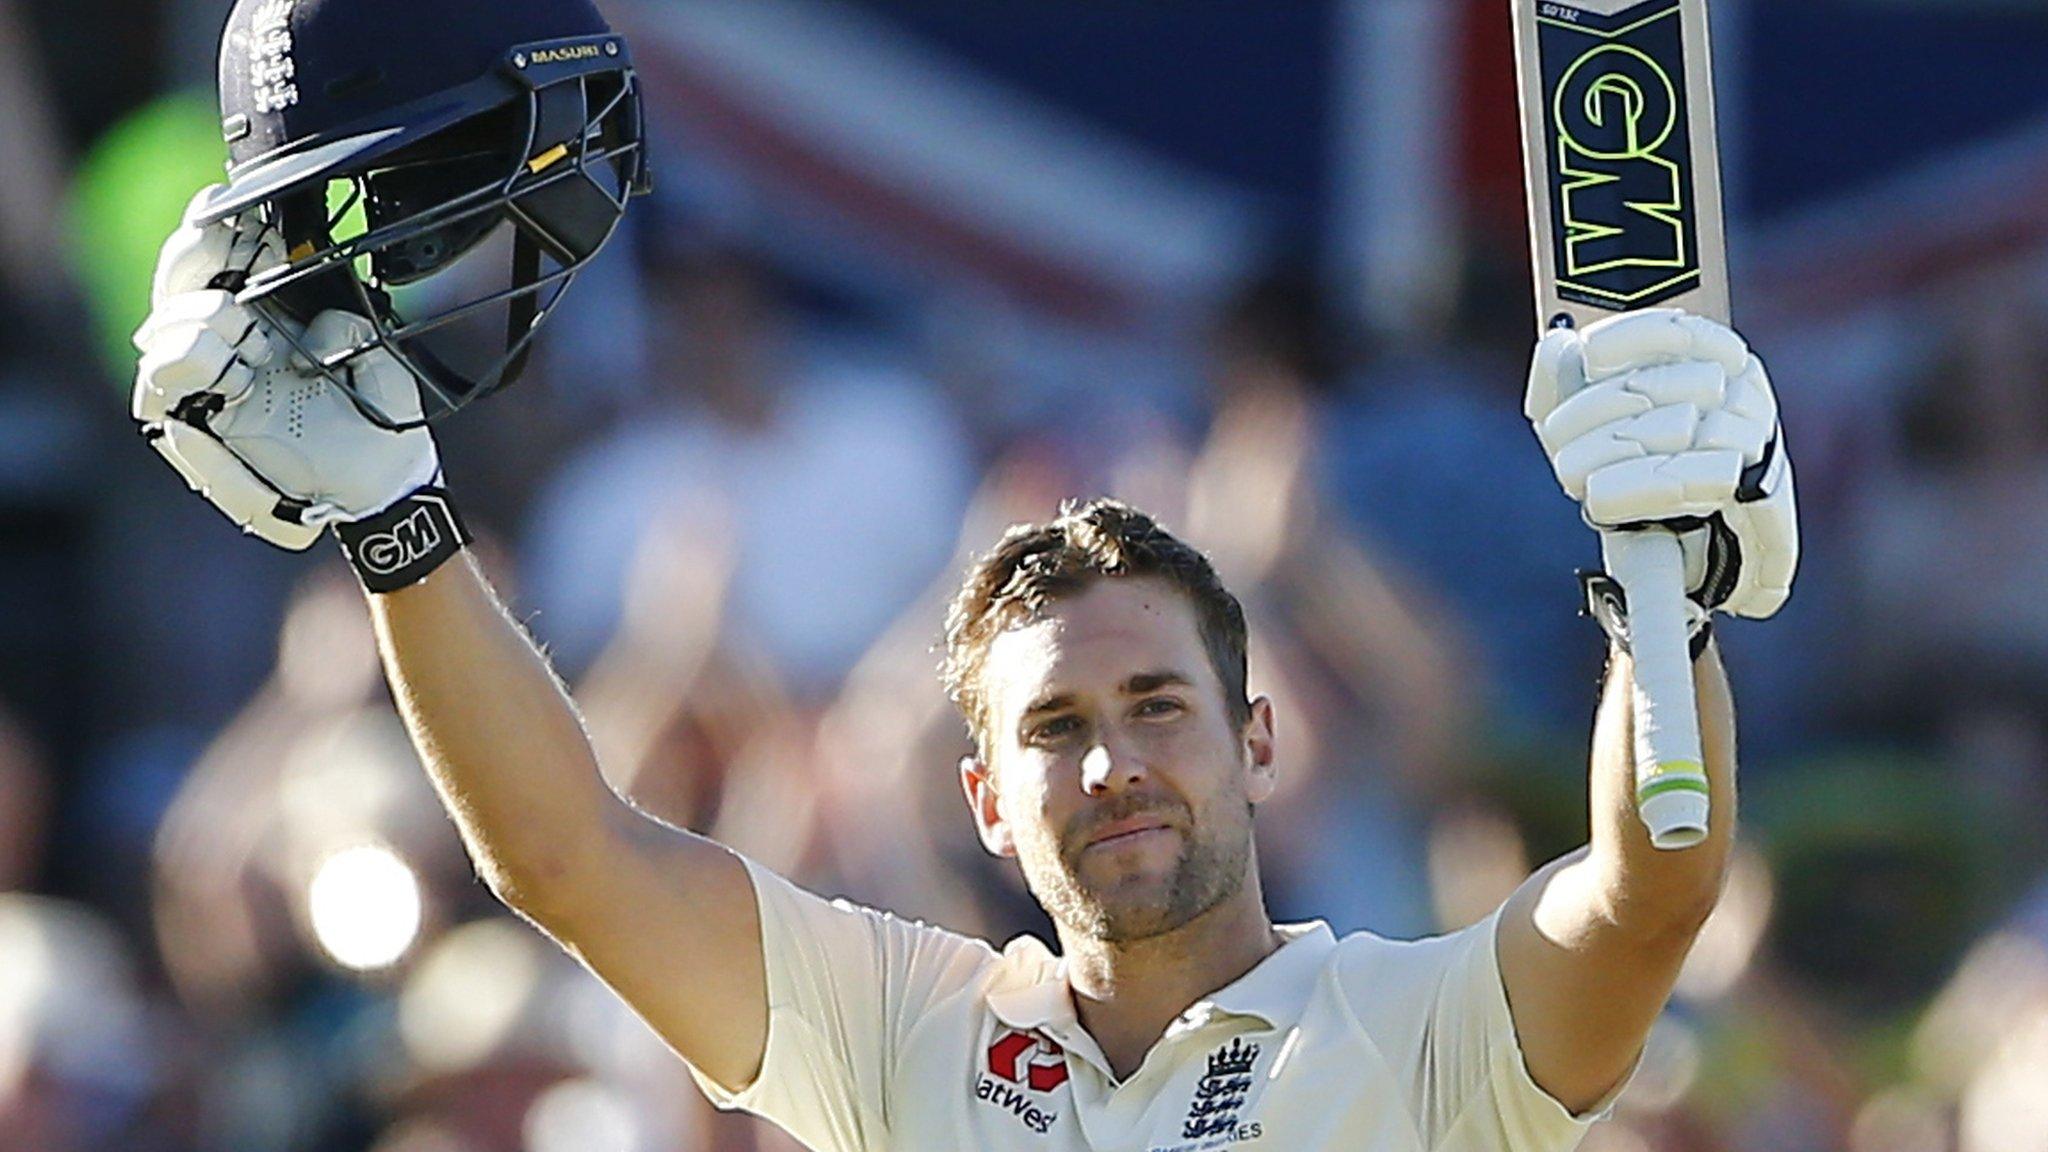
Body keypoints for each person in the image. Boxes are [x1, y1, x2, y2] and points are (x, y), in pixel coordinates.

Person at [127, 1, 1800, 1147]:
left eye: (1158, 703)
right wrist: (395, 529)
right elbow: (570, 859)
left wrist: (1667, 591)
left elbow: (1651, 886)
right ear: (985, 803)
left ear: (1261, 739)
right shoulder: (909, 1032)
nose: (1114, 760)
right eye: (1056, 726)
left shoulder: (1422, 1033)